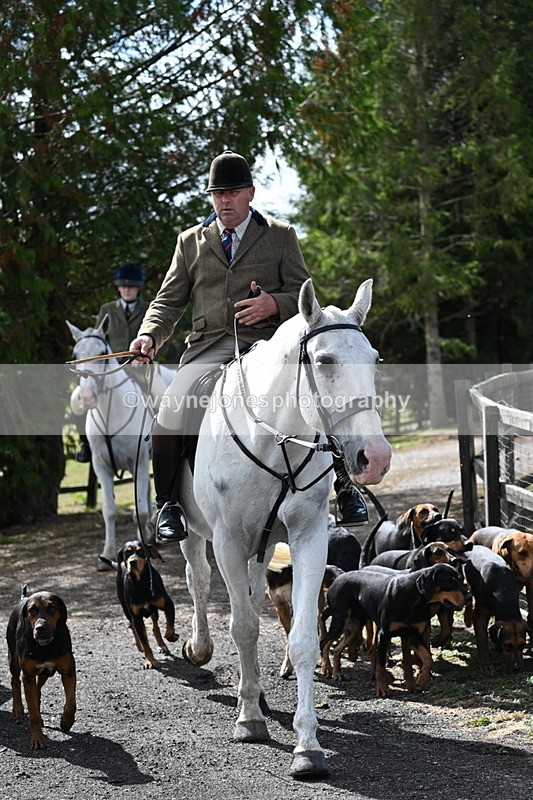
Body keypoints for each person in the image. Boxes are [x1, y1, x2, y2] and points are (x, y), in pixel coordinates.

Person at [130, 150, 368, 541]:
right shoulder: (189, 242)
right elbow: (168, 301)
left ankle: (344, 486)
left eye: (233, 192)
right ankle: (169, 503)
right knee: (171, 408)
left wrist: (274, 303)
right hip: (209, 346)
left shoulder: (280, 236)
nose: (224, 200)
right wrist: (149, 335)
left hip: (267, 345)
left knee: (314, 393)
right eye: (217, 193)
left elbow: (307, 297)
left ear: (250, 193)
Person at [74, 263, 150, 463]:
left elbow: (161, 339)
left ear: (138, 288)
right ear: (118, 287)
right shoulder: (106, 309)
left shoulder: (148, 310)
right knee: (77, 399)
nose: (126, 289)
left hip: (143, 367)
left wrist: (146, 358)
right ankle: (86, 444)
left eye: (131, 286)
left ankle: (159, 443)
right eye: (123, 286)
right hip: (110, 372)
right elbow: (99, 340)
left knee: (161, 394)